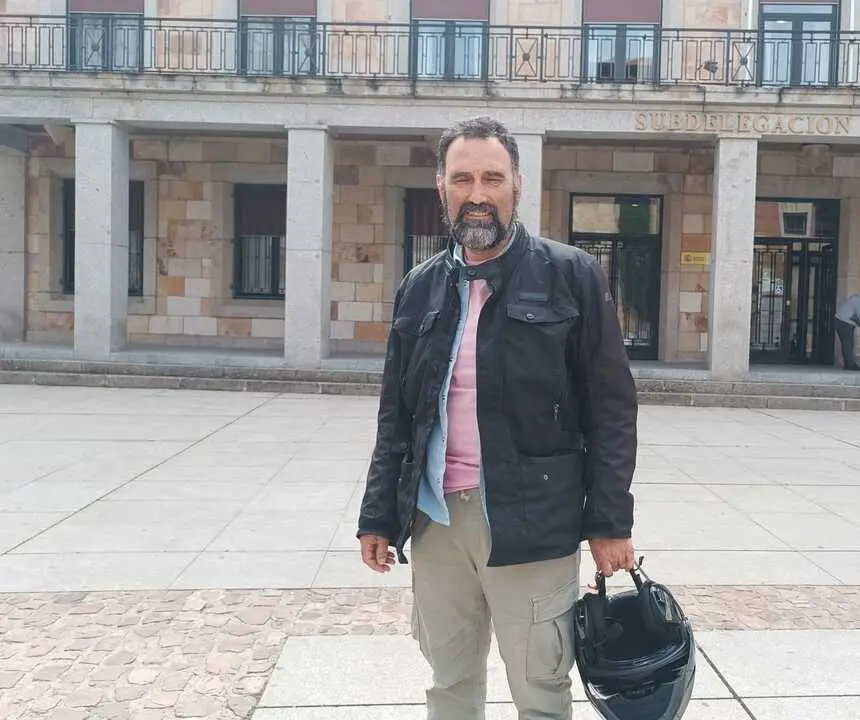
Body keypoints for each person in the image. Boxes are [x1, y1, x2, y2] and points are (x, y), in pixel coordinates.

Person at [356, 116, 638, 720]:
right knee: (449, 683)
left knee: (540, 689)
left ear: (517, 184)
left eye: (492, 178)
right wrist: (378, 513)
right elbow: (396, 418)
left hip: (532, 522)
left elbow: (611, 408)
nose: (477, 194)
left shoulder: (572, 276)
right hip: (435, 524)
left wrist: (610, 522)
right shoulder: (420, 287)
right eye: (463, 179)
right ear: (442, 187)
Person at [835, 293, 860, 370]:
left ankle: (848, 364)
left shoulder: (856, 298)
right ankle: (850, 365)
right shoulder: (858, 301)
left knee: (847, 343)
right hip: (844, 322)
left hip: (843, 321)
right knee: (847, 343)